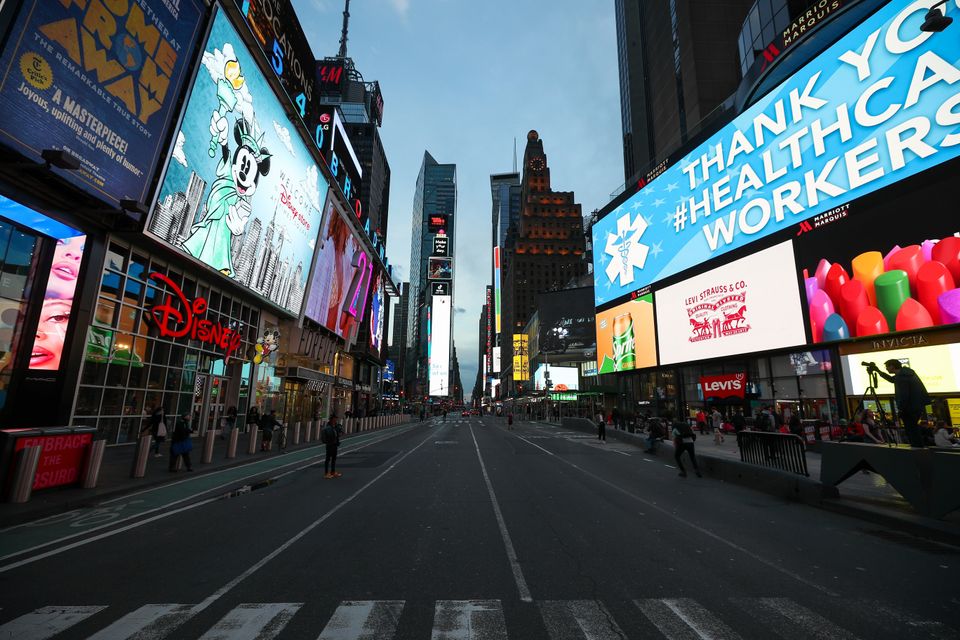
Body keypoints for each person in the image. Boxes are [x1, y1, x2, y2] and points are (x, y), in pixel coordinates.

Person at [871, 360, 930, 448]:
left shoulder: (901, 377)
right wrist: (879, 371)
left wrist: (901, 409)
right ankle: (918, 447)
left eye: (887, 367)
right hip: (916, 406)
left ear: (892, 366)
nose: (886, 369)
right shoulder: (906, 374)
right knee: (913, 428)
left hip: (909, 408)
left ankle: (917, 449)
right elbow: (892, 380)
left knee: (911, 430)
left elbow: (904, 395)